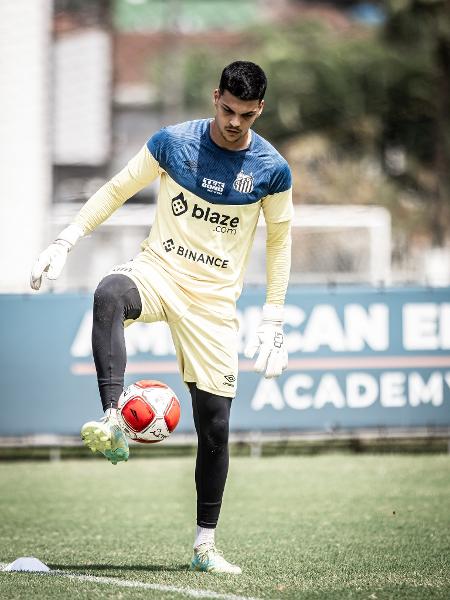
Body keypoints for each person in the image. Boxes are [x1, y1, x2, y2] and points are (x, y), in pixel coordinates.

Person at [30, 61, 292, 574]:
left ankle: (204, 547)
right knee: (109, 293)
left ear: (259, 109)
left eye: (246, 114)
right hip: (159, 272)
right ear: (215, 96)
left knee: (215, 426)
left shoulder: (272, 169)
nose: (234, 122)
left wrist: (274, 320)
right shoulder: (173, 143)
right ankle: (112, 421)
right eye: (227, 109)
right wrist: (65, 240)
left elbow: (281, 243)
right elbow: (115, 190)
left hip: (214, 303)